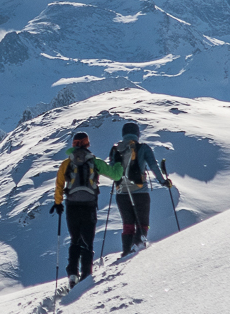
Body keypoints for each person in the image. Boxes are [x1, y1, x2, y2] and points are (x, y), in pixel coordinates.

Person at [53, 132, 121, 287]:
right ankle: (86, 274)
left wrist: (58, 203)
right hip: (89, 206)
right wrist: (117, 162)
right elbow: (116, 176)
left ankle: (72, 274)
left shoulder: (66, 163)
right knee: (87, 242)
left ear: (74, 144)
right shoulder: (94, 161)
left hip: (72, 206)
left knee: (74, 240)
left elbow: (59, 183)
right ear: (87, 144)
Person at [108, 122, 171, 256]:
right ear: (137, 134)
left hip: (122, 193)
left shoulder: (115, 149)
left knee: (127, 224)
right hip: (140, 192)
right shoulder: (143, 148)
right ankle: (138, 246)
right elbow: (153, 166)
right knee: (142, 222)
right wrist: (163, 181)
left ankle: (126, 250)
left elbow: (112, 171)